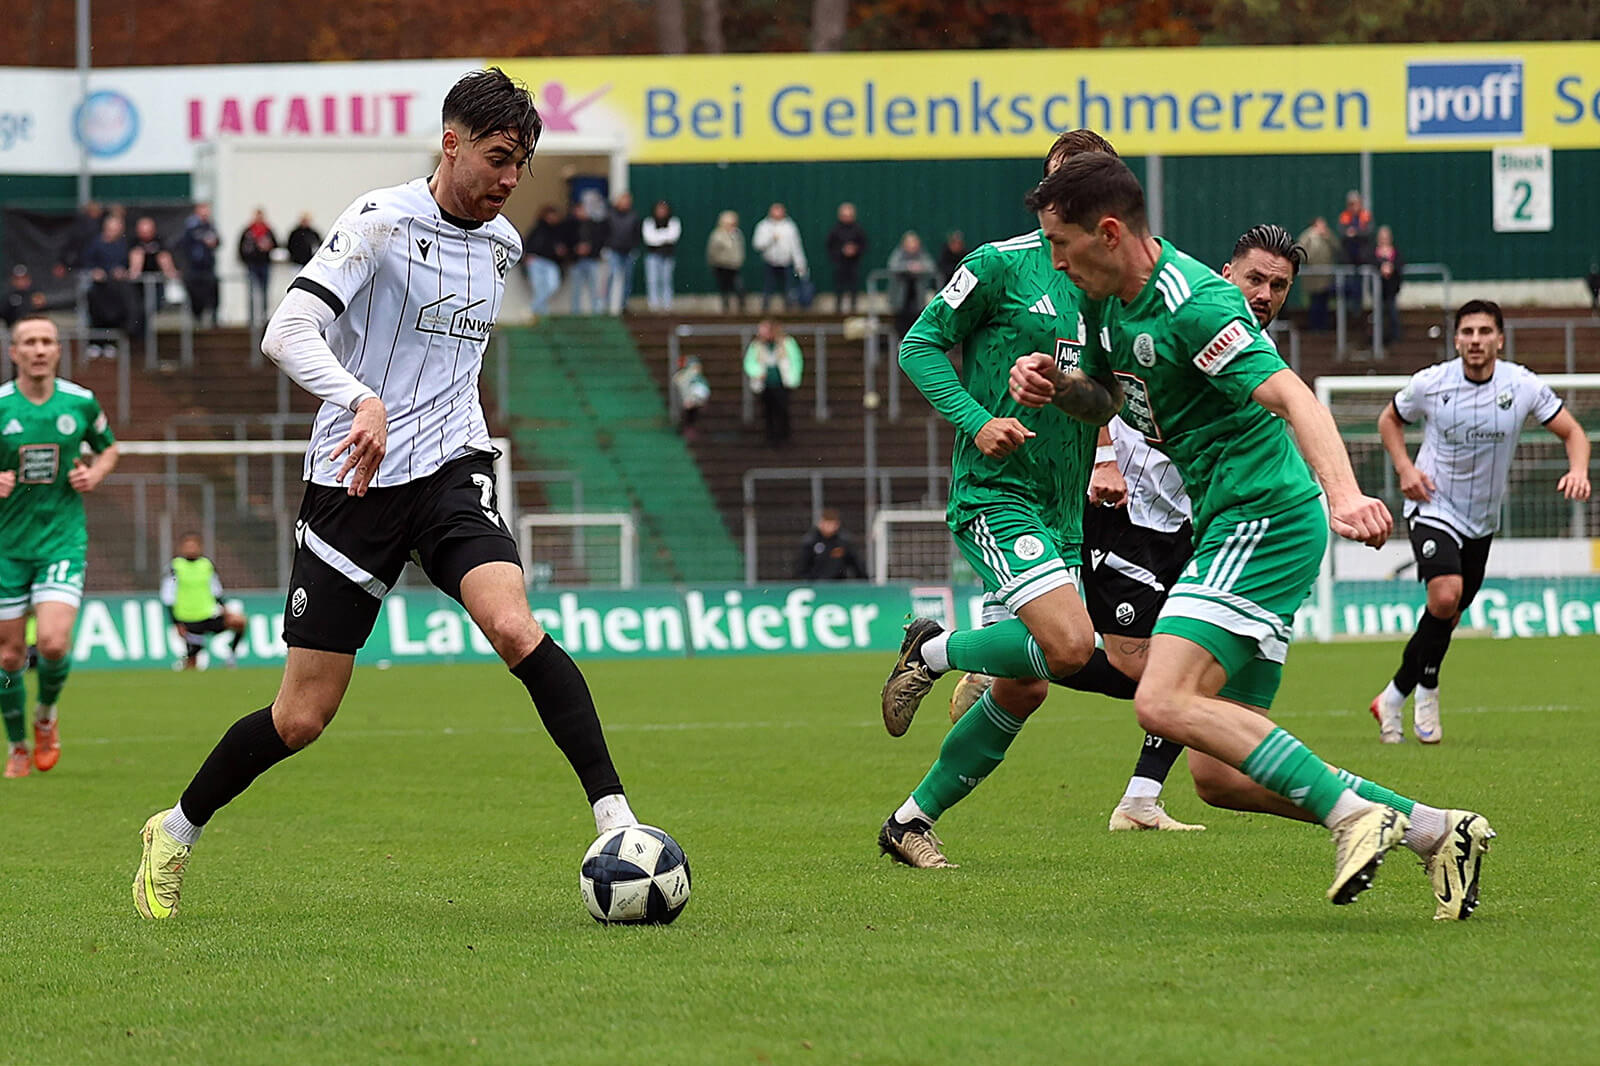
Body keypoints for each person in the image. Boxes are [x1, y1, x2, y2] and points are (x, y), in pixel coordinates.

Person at [133, 68, 641, 920]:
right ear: (451, 145)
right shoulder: (377, 223)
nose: (512, 178)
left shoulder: (503, 244)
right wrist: (359, 397)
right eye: (499, 158)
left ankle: (617, 821)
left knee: (514, 626)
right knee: (300, 718)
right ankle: (174, 830)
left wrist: (434, 421)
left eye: (522, 161)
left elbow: (451, 367)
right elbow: (285, 329)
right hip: (352, 485)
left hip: (450, 471)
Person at [998, 151, 1493, 919]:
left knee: (1158, 700)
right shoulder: (1102, 303)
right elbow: (1105, 400)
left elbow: (1295, 396)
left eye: (1059, 244)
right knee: (1220, 777)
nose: (1051, 259)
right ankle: (1438, 831)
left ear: (1106, 233)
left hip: (1261, 516)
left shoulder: (1196, 303)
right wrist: (1055, 386)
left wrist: (1347, 494)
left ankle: (1354, 816)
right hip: (1233, 520)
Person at [874, 131, 1117, 871]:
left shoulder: (1107, 287)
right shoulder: (998, 264)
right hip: (997, 494)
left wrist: (1082, 404)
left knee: (1028, 687)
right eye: (1053, 187)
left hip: (1064, 507)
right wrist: (979, 422)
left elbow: (1106, 399)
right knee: (1071, 649)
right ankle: (937, 650)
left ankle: (909, 821)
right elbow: (917, 345)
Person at [1370, 299, 1590, 744]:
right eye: (1467, 332)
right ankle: (1427, 692)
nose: (1476, 340)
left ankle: (1392, 696)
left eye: (1485, 332)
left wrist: (1579, 470)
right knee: (1446, 594)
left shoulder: (1522, 385)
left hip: (1482, 519)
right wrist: (1405, 469)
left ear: (1500, 339)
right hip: (1433, 506)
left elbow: (1573, 432)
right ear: (1456, 340)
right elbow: (1389, 420)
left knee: (1445, 617)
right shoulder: (1432, 383)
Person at [0, 316, 119, 779]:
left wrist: (96, 473)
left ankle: (46, 716)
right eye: (29, 342)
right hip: (7, 546)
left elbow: (108, 448)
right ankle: (16, 746)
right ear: (14, 352)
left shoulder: (80, 402)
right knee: (9, 657)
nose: (39, 349)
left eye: (47, 341)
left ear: (57, 350)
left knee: (51, 643)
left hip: (61, 541)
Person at [160, 532, 247, 671]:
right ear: (182, 548)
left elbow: (216, 591)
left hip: (208, 614)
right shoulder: (175, 567)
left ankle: (231, 657)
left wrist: (225, 609)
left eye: (194, 545)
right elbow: (168, 596)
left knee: (239, 622)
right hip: (188, 619)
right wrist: (176, 623)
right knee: (192, 663)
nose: (191, 549)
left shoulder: (206, 565)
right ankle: (187, 665)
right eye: (188, 546)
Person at [743, 318, 802, 446]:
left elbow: (795, 360)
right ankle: (770, 437)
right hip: (766, 384)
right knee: (767, 412)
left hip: (782, 384)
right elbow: (749, 362)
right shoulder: (757, 346)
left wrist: (793, 378)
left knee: (782, 410)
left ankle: (784, 436)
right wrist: (758, 373)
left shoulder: (786, 343)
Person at [81, 213, 133, 350]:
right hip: (98, 289)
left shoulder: (123, 245)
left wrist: (122, 271)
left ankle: (110, 343)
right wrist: (95, 271)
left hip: (115, 289)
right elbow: (87, 263)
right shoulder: (95, 243)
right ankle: (95, 344)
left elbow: (127, 264)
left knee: (115, 314)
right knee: (96, 314)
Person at [752, 203, 807, 312]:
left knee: (789, 288)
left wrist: (800, 264)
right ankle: (765, 310)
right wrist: (771, 239)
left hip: (786, 263)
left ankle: (789, 310)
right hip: (770, 263)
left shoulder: (790, 226)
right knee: (768, 287)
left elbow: (796, 246)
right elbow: (757, 245)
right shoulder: (763, 226)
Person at [128, 216, 180, 322]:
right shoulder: (133, 242)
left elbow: (165, 257)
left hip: (156, 281)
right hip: (139, 285)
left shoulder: (160, 242)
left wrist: (170, 271)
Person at [178, 203, 221, 327]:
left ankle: (212, 316)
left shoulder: (210, 226)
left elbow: (217, 241)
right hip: (193, 267)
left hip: (207, 266)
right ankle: (197, 317)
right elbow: (184, 243)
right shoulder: (190, 226)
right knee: (195, 293)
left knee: (212, 290)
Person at [886, 231, 936, 338]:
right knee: (901, 325)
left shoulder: (922, 254)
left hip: (918, 299)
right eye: (909, 243)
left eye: (914, 243)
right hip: (901, 299)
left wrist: (920, 267)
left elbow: (931, 267)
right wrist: (908, 267)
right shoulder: (899, 253)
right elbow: (892, 266)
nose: (912, 246)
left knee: (916, 323)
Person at [795, 508, 865, 580]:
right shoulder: (810, 541)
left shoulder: (844, 542)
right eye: (827, 523)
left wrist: (863, 579)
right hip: (815, 584)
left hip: (838, 585)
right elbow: (802, 567)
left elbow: (856, 564)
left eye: (832, 524)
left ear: (837, 524)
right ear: (821, 523)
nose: (829, 527)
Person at [600, 191, 641, 313]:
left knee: (628, 279)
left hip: (628, 251)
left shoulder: (634, 216)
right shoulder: (609, 215)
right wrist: (606, 247)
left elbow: (637, 234)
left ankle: (624, 305)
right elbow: (604, 232)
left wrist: (634, 247)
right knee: (612, 276)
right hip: (613, 250)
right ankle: (606, 305)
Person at [1296, 217, 1338, 332]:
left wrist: (1328, 237)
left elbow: (1337, 248)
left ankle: (1323, 327)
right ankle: (1314, 327)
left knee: (1324, 303)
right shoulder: (1308, 236)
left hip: (1325, 277)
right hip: (1313, 277)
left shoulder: (1328, 236)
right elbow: (1300, 251)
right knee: (1314, 303)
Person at [237, 209, 278, 325]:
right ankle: (251, 318)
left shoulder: (268, 231)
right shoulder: (248, 231)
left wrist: (268, 248)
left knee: (264, 291)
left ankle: (263, 316)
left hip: (264, 264)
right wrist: (247, 259)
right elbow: (241, 248)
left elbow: (276, 245)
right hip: (252, 265)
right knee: (251, 292)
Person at [523, 205, 566, 316]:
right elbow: (528, 244)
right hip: (536, 261)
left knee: (552, 286)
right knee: (539, 288)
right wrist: (527, 256)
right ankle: (542, 315)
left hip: (551, 263)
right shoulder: (537, 229)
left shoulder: (559, 230)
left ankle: (532, 309)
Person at [825, 203, 867, 314]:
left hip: (854, 263)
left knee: (853, 285)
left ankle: (853, 306)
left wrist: (855, 250)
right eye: (845, 215)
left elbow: (864, 245)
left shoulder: (858, 230)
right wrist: (842, 251)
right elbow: (830, 246)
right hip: (840, 263)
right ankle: (838, 307)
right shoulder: (835, 230)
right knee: (839, 285)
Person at [563, 200, 603, 314]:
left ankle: (597, 312)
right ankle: (576, 312)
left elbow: (599, 241)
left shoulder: (594, 225)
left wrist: (590, 249)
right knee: (576, 288)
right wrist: (575, 250)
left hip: (591, 260)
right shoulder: (570, 226)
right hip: (576, 261)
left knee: (594, 288)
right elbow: (566, 243)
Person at [641, 199, 681, 311]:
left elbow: (673, 236)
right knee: (652, 280)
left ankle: (667, 305)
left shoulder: (673, 221)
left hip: (668, 256)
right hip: (652, 256)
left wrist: (658, 236)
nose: (661, 212)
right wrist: (664, 235)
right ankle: (653, 306)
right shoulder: (649, 222)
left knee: (666, 280)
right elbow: (650, 239)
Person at [1337, 190, 1372, 308]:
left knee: (1360, 284)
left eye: (1355, 203)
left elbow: (1368, 233)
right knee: (1348, 284)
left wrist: (1355, 233)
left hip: (1361, 257)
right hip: (1348, 257)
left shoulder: (1365, 216)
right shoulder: (1344, 217)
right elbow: (1342, 234)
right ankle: (1348, 308)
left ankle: (1358, 307)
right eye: (1351, 204)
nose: (1353, 207)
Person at [707, 210, 745, 313]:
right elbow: (712, 251)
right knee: (724, 289)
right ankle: (726, 308)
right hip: (722, 266)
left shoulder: (737, 234)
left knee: (739, 287)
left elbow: (739, 249)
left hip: (734, 266)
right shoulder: (717, 235)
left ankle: (741, 307)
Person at [1374, 224, 1403, 344]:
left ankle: (1395, 338)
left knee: (1392, 313)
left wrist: (1391, 267)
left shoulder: (1395, 251)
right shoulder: (1374, 251)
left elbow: (1400, 263)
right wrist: (1381, 266)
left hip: (1391, 288)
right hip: (1378, 288)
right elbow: (1369, 261)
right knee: (1378, 315)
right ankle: (1379, 339)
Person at [670, 355, 710, 440]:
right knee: (689, 410)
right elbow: (677, 379)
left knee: (691, 409)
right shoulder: (688, 376)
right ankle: (687, 429)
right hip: (691, 398)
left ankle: (690, 429)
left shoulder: (697, 379)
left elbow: (702, 389)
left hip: (696, 397)